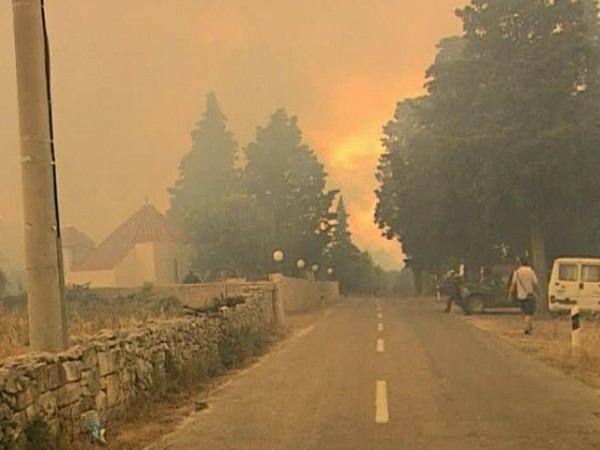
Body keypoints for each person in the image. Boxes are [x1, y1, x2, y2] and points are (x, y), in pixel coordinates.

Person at [508, 257, 539, 335]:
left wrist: (510, 294)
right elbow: (536, 283)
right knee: (529, 313)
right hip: (529, 295)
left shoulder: (517, 272)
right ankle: (527, 329)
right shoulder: (531, 271)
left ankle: (529, 327)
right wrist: (536, 291)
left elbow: (513, 284)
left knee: (525, 313)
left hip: (520, 295)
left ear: (520, 263)